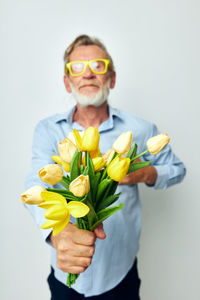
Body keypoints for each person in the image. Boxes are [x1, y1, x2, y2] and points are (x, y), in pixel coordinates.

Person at [24, 34, 186, 299]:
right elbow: (35, 184)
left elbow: (177, 169)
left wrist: (143, 172)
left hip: (120, 274)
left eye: (98, 66)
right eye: (77, 67)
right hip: (67, 278)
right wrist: (58, 232)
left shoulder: (140, 130)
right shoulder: (48, 131)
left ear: (112, 78)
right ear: (67, 82)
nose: (87, 74)